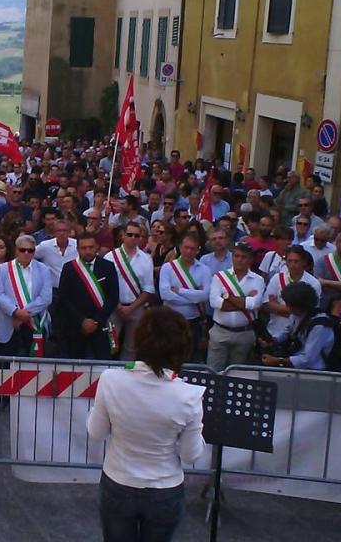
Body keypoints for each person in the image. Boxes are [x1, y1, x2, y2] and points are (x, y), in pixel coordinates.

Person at [86, 306, 205, 542]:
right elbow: (190, 454)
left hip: (118, 482)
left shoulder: (110, 380)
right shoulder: (190, 395)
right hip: (165, 489)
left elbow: (95, 432)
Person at [57, 233, 119, 359]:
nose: (88, 251)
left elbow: (113, 297)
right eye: (84, 248)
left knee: (102, 363)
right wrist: (82, 320)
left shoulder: (108, 267)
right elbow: (64, 298)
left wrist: (96, 321)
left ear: (97, 247)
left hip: (101, 325)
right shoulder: (69, 268)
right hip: (76, 326)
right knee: (75, 365)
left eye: (91, 247)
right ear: (78, 249)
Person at [207, 242, 265, 372]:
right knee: (213, 371)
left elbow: (255, 304)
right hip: (220, 332)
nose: (239, 260)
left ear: (250, 260)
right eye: (237, 256)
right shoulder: (220, 277)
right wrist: (245, 300)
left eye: (243, 257)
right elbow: (214, 302)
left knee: (237, 374)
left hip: (244, 333)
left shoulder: (258, 280)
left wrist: (227, 297)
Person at [0, 234, 52, 357]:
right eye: (22, 250)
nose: (26, 253)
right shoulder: (4, 269)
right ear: (16, 250)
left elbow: (46, 297)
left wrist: (24, 313)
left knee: (34, 367)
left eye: (30, 250)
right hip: (8, 323)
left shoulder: (43, 269)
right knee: (5, 367)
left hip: (34, 323)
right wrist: (15, 312)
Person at [105, 222, 155, 360]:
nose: (133, 238)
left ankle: (125, 376)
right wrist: (118, 306)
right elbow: (105, 286)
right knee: (110, 345)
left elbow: (148, 289)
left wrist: (131, 308)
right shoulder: (110, 257)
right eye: (129, 234)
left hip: (136, 307)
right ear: (123, 236)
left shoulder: (146, 259)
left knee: (131, 347)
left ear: (140, 238)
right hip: (114, 308)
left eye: (136, 235)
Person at [158, 233, 212, 361]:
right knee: (169, 356)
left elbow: (205, 296)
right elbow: (165, 294)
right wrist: (194, 296)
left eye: (192, 248)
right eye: (186, 247)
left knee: (190, 356)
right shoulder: (168, 268)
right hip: (170, 321)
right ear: (180, 247)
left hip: (193, 322)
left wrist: (180, 291)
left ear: (198, 250)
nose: (188, 251)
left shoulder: (204, 270)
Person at [261, 282, 337, 370]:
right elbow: (286, 332)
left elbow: (307, 359)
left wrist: (278, 361)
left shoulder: (320, 326)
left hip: (314, 371)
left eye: (290, 306)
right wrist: (271, 340)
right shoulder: (295, 315)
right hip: (295, 367)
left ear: (300, 306)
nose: (287, 308)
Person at [262, 246, 321, 341]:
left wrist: (278, 308)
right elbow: (266, 305)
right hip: (274, 330)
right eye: (289, 261)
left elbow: (311, 311)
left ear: (304, 262)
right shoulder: (277, 278)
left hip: (300, 334)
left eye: (296, 261)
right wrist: (295, 310)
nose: (293, 265)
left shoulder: (313, 283)